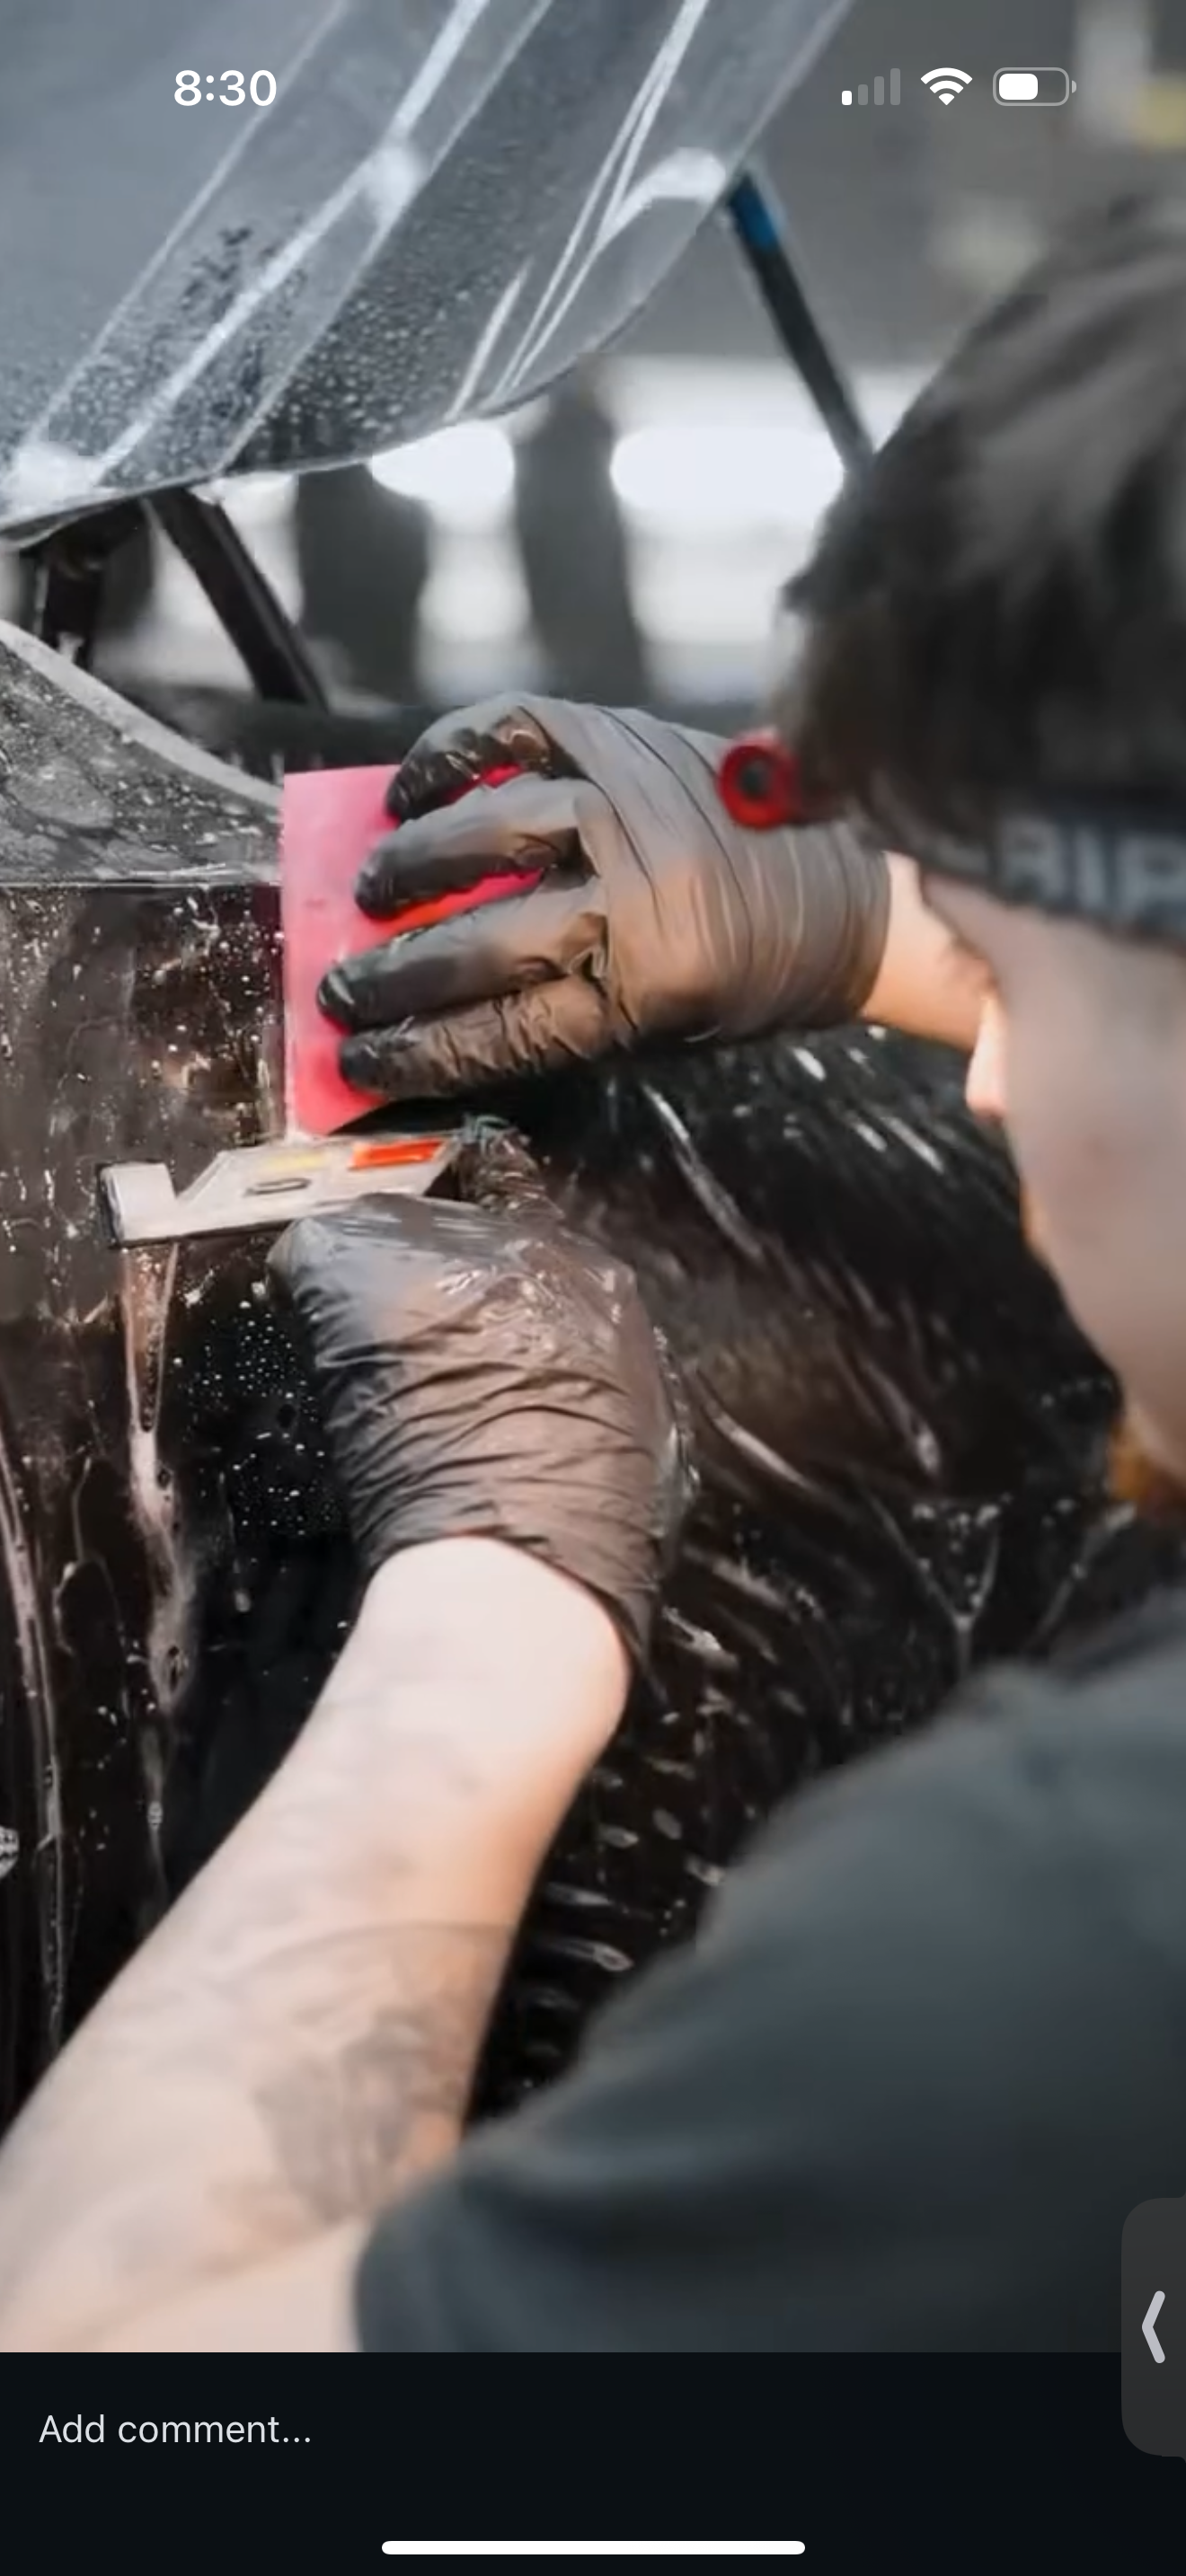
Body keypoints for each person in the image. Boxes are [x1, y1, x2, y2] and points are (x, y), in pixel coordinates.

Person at [3, 190, 1186, 2352]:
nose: (984, 1077)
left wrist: (495, 1618)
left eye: (1011, 974)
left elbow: (117, 2410)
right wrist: (844, 902)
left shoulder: (1067, 1950)